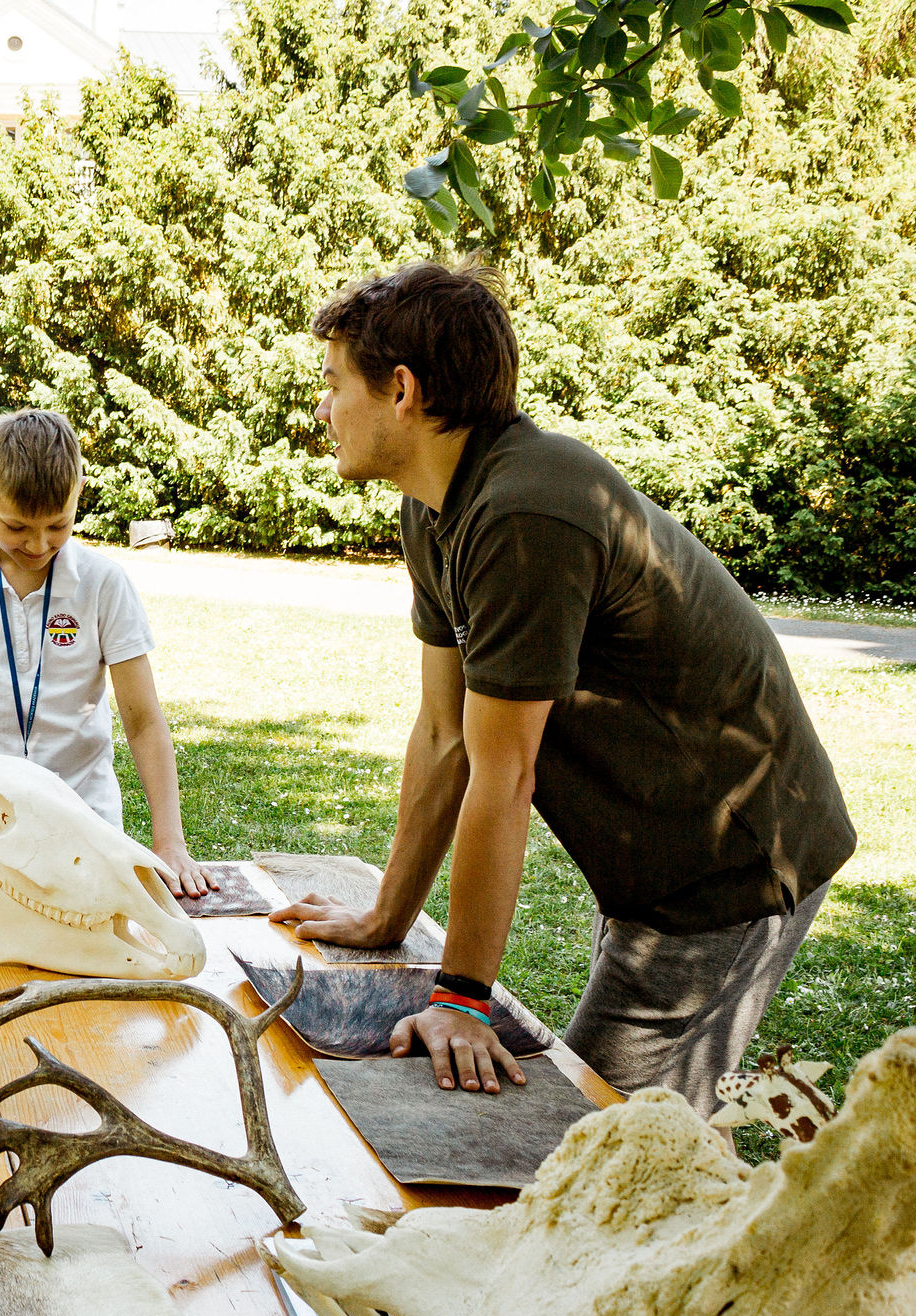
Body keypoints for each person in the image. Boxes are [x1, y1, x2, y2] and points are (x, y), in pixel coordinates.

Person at [272, 260, 853, 1107]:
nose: (322, 409)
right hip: (653, 860)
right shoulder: (433, 508)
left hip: (730, 864)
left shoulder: (525, 511)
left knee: (600, 1134)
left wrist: (460, 998)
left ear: (401, 390)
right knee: (654, 1124)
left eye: (333, 385)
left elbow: (503, 773)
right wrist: (387, 915)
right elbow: (443, 734)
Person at [0, 408, 217, 897]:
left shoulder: (104, 584)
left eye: (58, 525)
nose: (38, 544)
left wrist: (169, 842)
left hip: (83, 824)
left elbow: (144, 721)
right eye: (16, 527)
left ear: (78, 496)